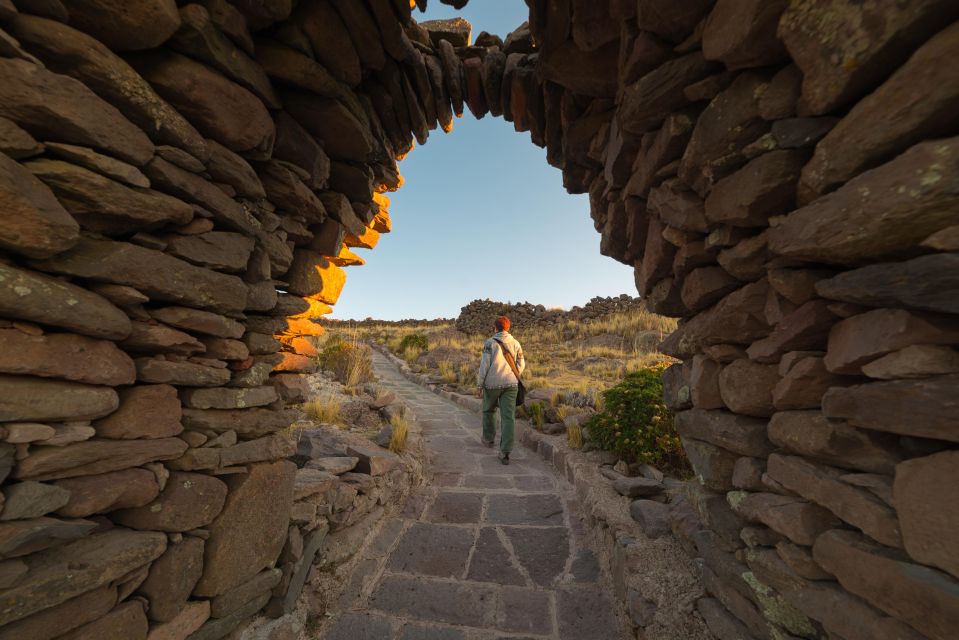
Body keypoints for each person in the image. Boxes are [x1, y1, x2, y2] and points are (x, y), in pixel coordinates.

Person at [475, 315, 525, 464]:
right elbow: (521, 363)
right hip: (511, 385)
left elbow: (484, 365)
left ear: (495, 327)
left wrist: (479, 385)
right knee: (508, 417)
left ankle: (489, 440)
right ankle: (505, 452)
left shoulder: (489, 343)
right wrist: (514, 374)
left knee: (488, 410)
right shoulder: (516, 343)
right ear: (508, 328)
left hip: (492, 385)